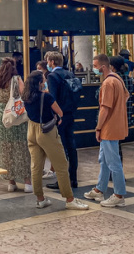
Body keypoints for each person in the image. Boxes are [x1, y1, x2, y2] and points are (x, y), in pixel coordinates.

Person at [23, 71, 88, 211]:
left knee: (36, 166)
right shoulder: (46, 96)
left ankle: (40, 199)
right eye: (44, 79)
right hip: (46, 131)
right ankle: (69, 199)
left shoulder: (26, 96)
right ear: (40, 82)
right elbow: (60, 112)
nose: (45, 80)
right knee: (61, 165)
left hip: (31, 130)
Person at [84, 53, 129, 207]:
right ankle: (99, 189)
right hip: (115, 125)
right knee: (104, 160)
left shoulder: (108, 83)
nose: (94, 69)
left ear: (103, 67)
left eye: (95, 67)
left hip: (109, 127)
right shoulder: (118, 79)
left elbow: (105, 108)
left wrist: (98, 127)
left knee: (113, 161)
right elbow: (126, 97)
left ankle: (119, 194)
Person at [0, 58, 32, 192]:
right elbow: (24, 94)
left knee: (6, 148)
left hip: (3, 117)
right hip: (17, 116)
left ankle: (11, 182)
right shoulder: (17, 78)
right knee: (21, 147)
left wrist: (3, 105)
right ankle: (27, 182)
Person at [45, 51, 79, 189]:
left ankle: (62, 180)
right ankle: (73, 178)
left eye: (48, 61)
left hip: (59, 115)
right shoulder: (70, 74)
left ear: (52, 62)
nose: (47, 64)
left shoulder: (53, 76)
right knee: (71, 146)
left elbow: (52, 98)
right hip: (70, 113)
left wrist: (53, 114)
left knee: (61, 148)